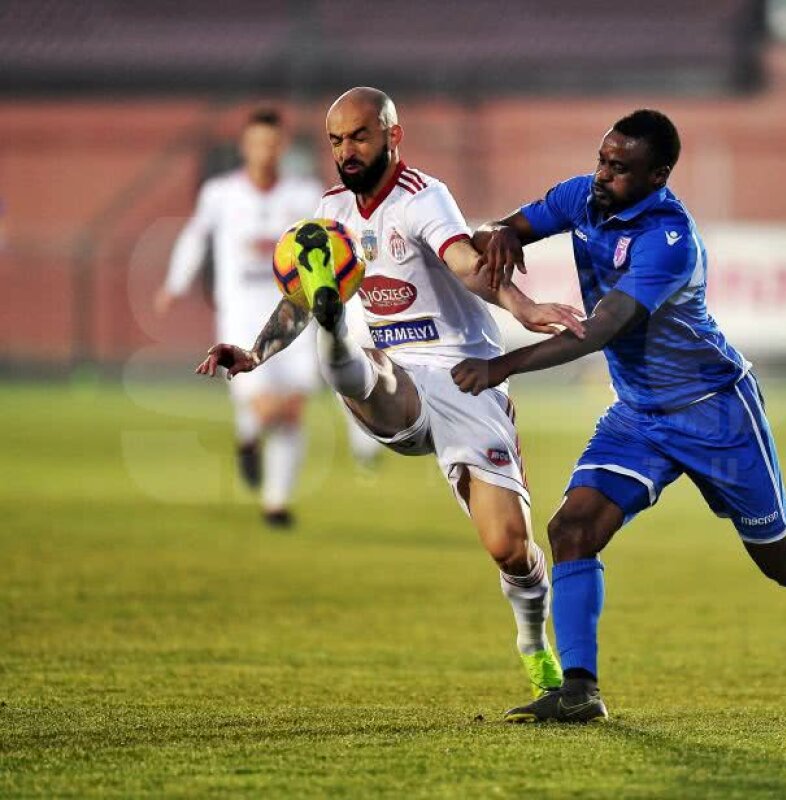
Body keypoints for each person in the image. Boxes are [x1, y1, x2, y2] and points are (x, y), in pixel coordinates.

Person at [454, 109, 786, 723]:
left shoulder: (669, 241)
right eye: (602, 159)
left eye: (620, 168)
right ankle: (579, 689)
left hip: (716, 414)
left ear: (658, 176)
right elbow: (510, 228)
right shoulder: (582, 197)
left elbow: (602, 328)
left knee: (782, 563)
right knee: (572, 528)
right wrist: (499, 231)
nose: (603, 175)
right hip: (639, 415)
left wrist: (502, 366)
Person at [196, 87, 585, 698]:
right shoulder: (330, 213)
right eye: (335, 140)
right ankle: (337, 338)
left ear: (392, 136)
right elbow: (298, 300)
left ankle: (533, 642)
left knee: (510, 548)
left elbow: (467, 264)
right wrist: (255, 352)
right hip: (396, 377)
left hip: (465, 377)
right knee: (361, 362)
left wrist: (524, 307)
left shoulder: (423, 197)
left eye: (359, 136)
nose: (346, 151)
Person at [157, 108, 325, 528]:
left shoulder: (306, 195)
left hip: (293, 314)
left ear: (283, 147)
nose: (266, 150)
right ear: (245, 147)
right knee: (267, 408)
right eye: (258, 142)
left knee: (293, 410)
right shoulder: (220, 194)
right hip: (241, 317)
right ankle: (249, 436)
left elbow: (331, 247)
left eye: (273, 142)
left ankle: (276, 503)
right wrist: (175, 284)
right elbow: (196, 236)